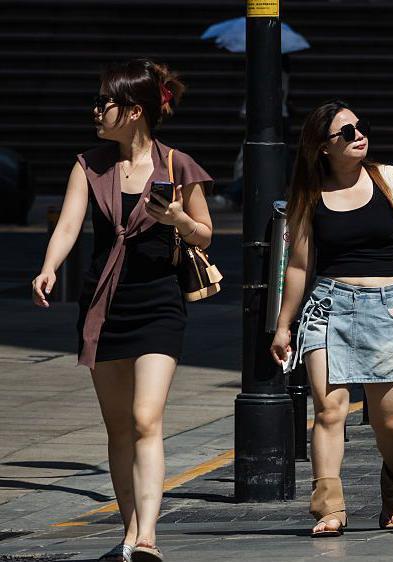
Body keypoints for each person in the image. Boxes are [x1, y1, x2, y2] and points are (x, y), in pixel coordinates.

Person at [31, 59, 213, 562]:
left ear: (133, 111)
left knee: (145, 418)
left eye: (103, 103)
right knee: (118, 429)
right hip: (104, 304)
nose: (95, 111)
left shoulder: (177, 166)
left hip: (159, 304)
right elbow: (69, 225)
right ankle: (130, 532)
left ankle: (148, 535)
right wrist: (49, 267)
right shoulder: (89, 165)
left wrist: (176, 217)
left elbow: (204, 234)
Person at [270, 100, 393, 537]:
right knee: (329, 411)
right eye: (346, 132)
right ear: (323, 147)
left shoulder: (388, 180)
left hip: (387, 306)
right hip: (329, 305)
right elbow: (299, 266)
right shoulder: (309, 196)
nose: (358, 135)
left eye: (360, 127)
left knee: (390, 423)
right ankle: (329, 506)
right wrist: (284, 324)